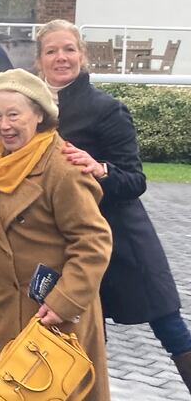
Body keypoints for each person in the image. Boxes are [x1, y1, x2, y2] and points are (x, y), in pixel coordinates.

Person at [35, 19, 191, 392]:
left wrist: (100, 168)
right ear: (39, 59)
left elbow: (135, 180)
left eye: (69, 49)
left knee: (170, 328)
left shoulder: (106, 109)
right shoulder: (30, 108)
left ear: (82, 55)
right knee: (78, 335)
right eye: (52, 51)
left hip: (122, 239)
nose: (61, 57)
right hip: (65, 244)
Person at [0, 68, 112, 401]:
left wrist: (63, 301)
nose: (4, 125)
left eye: (14, 115)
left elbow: (94, 241)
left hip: (56, 317)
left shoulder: (61, 167)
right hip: (11, 313)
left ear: (39, 114)